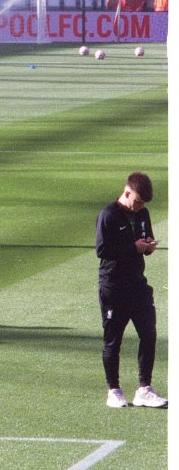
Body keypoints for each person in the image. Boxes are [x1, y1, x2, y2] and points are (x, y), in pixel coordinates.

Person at [96, 172, 166, 408]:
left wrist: (148, 247)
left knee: (149, 333)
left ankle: (144, 388)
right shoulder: (108, 215)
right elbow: (103, 251)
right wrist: (133, 248)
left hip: (137, 284)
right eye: (136, 202)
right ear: (127, 192)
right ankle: (113, 390)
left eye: (142, 204)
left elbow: (145, 239)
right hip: (113, 287)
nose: (139, 208)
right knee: (113, 341)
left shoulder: (142, 212)